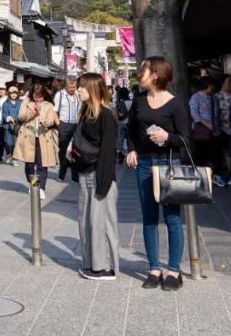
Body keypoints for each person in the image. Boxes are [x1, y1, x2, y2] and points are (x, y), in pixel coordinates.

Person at [126, 56, 190, 291]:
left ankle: (174, 271)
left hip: (168, 163)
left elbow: (185, 138)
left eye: (143, 70)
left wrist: (167, 137)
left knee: (172, 218)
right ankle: (154, 269)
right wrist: (131, 150)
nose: (139, 73)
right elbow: (131, 130)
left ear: (155, 74)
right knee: (149, 218)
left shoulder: (175, 104)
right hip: (144, 164)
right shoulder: (139, 101)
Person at [73, 73, 119, 280]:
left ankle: (105, 267)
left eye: (82, 87)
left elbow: (109, 151)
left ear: (92, 88)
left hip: (100, 176)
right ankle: (93, 264)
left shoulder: (107, 114)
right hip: (85, 173)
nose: (78, 90)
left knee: (102, 222)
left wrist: (104, 181)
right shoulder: (85, 111)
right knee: (87, 222)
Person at [15, 84, 59, 200]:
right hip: (28, 137)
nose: (39, 99)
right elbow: (21, 116)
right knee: (29, 165)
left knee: (42, 165)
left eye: (41, 96)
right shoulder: (26, 102)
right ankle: (34, 185)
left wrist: (45, 122)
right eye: (36, 96)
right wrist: (33, 113)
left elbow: (51, 120)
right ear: (32, 94)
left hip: (43, 137)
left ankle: (41, 188)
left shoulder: (49, 105)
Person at [54, 77, 81, 182]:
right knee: (64, 151)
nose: (72, 89)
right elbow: (54, 110)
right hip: (64, 125)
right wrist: (58, 123)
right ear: (66, 85)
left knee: (76, 151)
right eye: (70, 86)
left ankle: (75, 177)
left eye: (74, 86)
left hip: (76, 125)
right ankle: (62, 174)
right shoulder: (60, 95)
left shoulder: (78, 95)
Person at [188, 76, 216, 171]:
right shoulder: (196, 97)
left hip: (211, 131)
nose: (213, 87)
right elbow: (194, 113)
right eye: (212, 85)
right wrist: (206, 124)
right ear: (207, 85)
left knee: (211, 154)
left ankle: (211, 175)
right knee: (201, 155)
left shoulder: (211, 98)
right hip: (201, 131)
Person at [214, 74, 231, 187]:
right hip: (220, 129)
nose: (230, 84)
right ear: (222, 83)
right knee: (221, 154)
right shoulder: (216, 97)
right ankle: (220, 175)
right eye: (228, 82)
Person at [0, 85, 23, 166]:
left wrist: (18, 119)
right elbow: (2, 114)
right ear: (9, 94)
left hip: (17, 126)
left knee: (15, 143)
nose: (14, 95)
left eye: (15, 93)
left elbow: (22, 114)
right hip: (7, 126)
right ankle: (8, 155)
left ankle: (14, 159)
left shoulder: (20, 103)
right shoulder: (5, 104)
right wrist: (7, 117)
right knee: (8, 143)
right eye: (12, 93)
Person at [114, 86, 131, 162]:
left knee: (120, 139)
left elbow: (115, 114)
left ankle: (120, 153)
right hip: (129, 123)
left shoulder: (118, 103)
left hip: (120, 123)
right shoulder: (131, 102)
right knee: (129, 139)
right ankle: (129, 153)